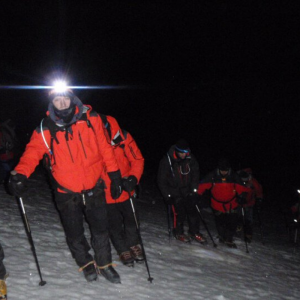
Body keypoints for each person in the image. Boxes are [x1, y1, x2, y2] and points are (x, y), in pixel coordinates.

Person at [8, 87, 123, 284]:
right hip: (66, 190)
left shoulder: (91, 119)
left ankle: (105, 264)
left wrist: (115, 176)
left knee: (101, 229)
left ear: (72, 99)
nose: (62, 104)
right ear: (52, 103)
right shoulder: (45, 127)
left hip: (94, 186)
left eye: (65, 99)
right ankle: (86, 262)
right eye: (57, 100)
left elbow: (105, 148)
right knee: (74, 231)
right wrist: (20, 174)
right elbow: (32, 152)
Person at [101, 115, 145, 267]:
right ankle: (122, 250)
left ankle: (133, 244)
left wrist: (133, 178)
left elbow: (137, 159)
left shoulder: (123, 137)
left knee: (132, 219)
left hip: (126, 188)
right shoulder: (92, 139)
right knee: (114, 223)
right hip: (106, 191)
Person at [157, 139, 206, 243]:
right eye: (181, 152)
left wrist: (194, 191)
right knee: (179, 213)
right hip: (173, 191)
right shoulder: (167, 161)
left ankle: (194, 232)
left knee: (193, 211)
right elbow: (161, 180)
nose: (183, 155)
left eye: (185, 152)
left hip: (187, 190)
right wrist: (167, 196)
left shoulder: (191, 159)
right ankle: (178, 233)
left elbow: (195, 176)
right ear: (176, 151)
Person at [197, 158, 250, 248]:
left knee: (232, 222)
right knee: (220, 222)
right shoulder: (212, 175)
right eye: (222, 170)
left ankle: (229, 239)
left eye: (226, 170)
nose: (224, 172)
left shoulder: (234, 176)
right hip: (217, 204)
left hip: (232, 204)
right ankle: (222, 236)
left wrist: (242, 196)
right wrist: (197, 195)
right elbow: (202, 186)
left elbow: (242, 188)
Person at [237, 168, 263, 242]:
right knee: (237, 216)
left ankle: (248, 235)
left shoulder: (253, 182)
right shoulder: (237, 179)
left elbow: (259, 191)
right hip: (238, 202)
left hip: (249, 203)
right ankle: (236, 229)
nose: (245, 182)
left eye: (246, 181)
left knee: (248, 220)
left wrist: (259, 199)